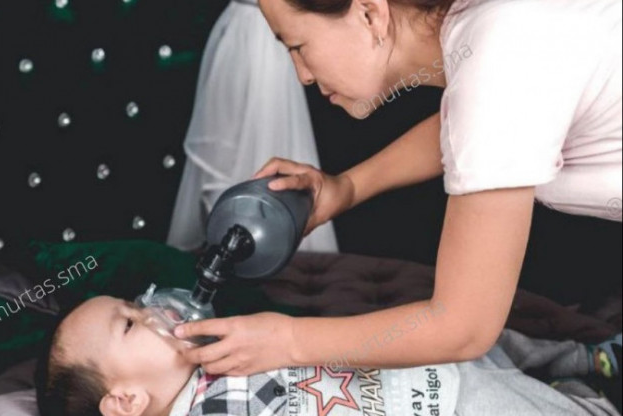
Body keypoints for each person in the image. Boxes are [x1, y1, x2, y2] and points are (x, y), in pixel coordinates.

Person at [171, 0, 623, 378]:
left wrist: (287, 341)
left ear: (369, 13)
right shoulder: (488, 40)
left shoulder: (498, 56)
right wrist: (347, 188)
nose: (302, 74)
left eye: (297, 46)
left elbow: (463, 327)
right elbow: (467, 128)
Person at [35, 295, 621, 416]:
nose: (152, 313)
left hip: (412, 360)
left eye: (139, 303)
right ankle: (582, 393)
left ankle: (586, 362)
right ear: (125, 400)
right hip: (440, 404)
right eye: (131, 323)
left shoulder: (212, 350)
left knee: (489, 338)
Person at [165, 0, 338, 254]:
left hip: (270, 34)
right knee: (226, 141)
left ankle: (263, 233)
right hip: (239, 31)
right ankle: (228, 230)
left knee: (271, 131)